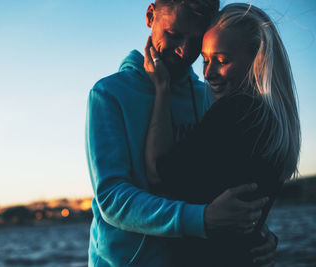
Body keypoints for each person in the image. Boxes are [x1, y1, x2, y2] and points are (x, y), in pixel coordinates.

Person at [86, 1, 278, 266]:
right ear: (150, 16)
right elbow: (112, 198)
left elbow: (224, 184)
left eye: (195, 40)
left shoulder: (207, 95)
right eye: (174, 35)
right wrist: (202, 218)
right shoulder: (109, 95)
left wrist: (257, 235)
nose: (185, 51)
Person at [144, 3, 300, 266]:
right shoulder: (271, 121)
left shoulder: (235, 113)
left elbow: (159, 172)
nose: (207, 73)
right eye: (205, 60)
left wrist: (162, 90)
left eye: (221, 60)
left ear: (256, 60)